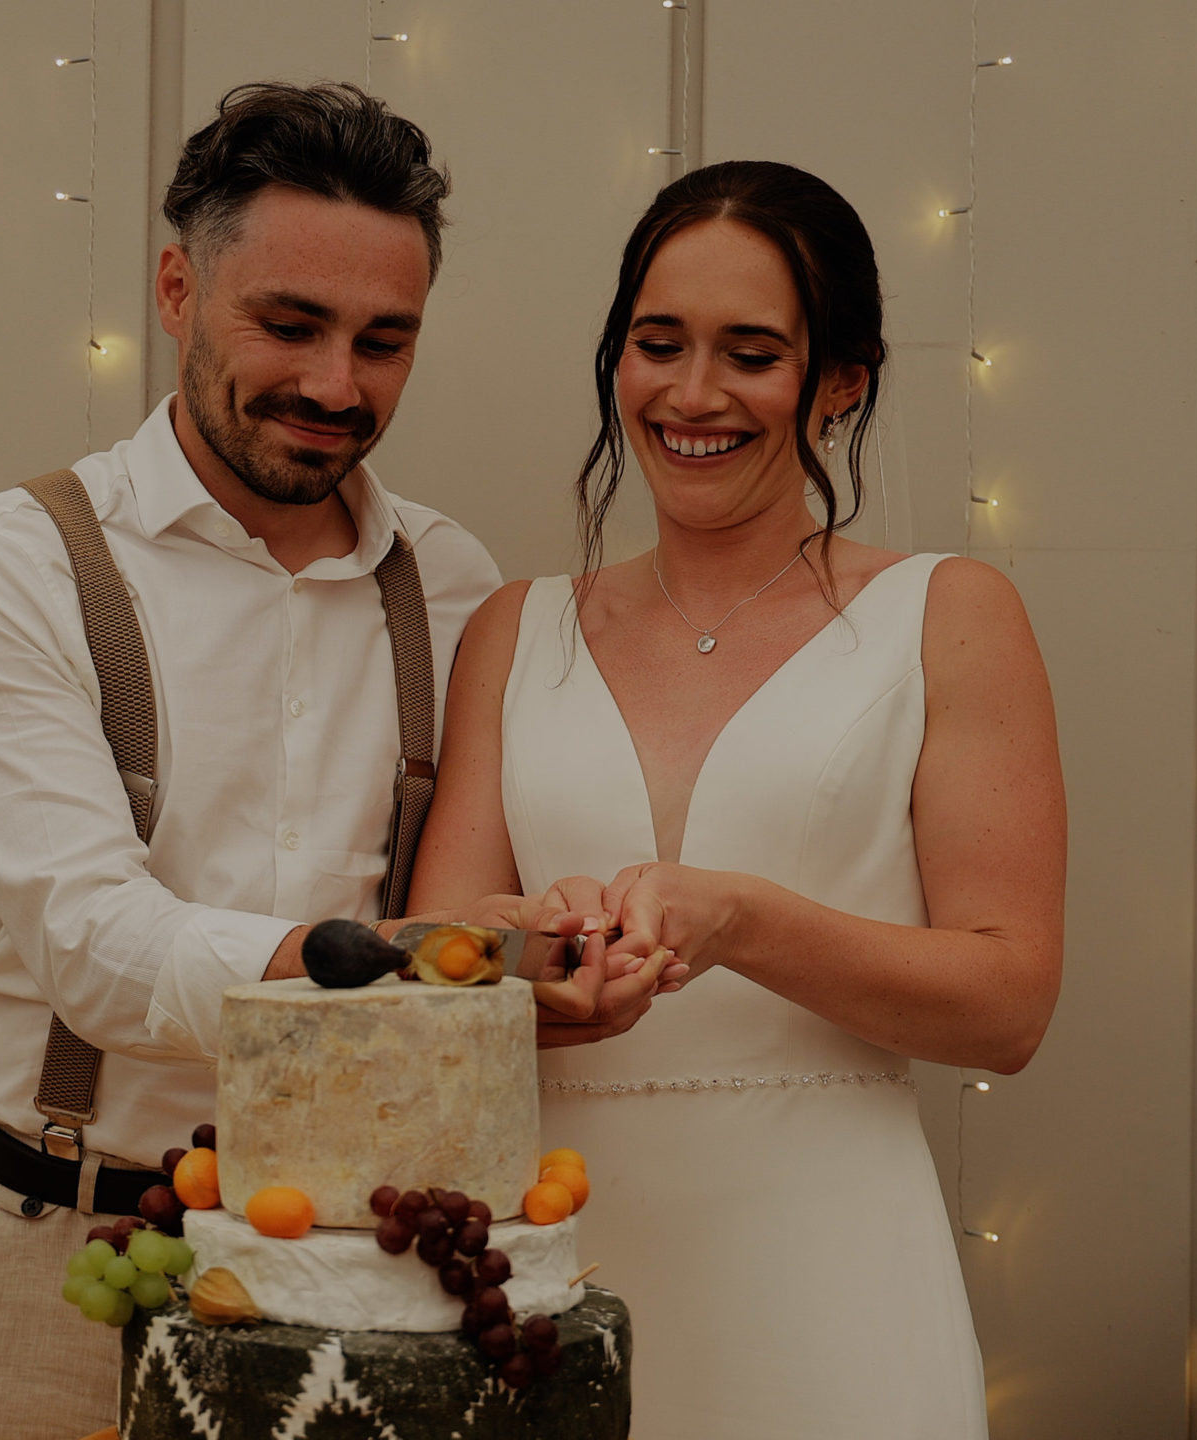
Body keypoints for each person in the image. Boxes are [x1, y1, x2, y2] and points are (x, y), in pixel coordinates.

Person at [0, 82, 659, 1439]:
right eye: (292, 326)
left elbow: (457, 929)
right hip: (71, 1252)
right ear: (176, 287)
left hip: (373, 1261)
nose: (336, 386)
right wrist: (368, 957)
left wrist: (533, 971)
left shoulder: (451, 583)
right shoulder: (15, 559)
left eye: (385, 342)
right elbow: (88, 938)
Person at [408, 160, 1067, 1435]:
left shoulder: (948, 616)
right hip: (545, 1266)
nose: (692, 394)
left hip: (833, 1275)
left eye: (749, 353)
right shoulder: (511, 628)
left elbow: (1009, 1002)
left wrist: (745, 923)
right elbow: (432, 971)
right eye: (658, 344)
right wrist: (532, 947)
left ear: (839, 383)